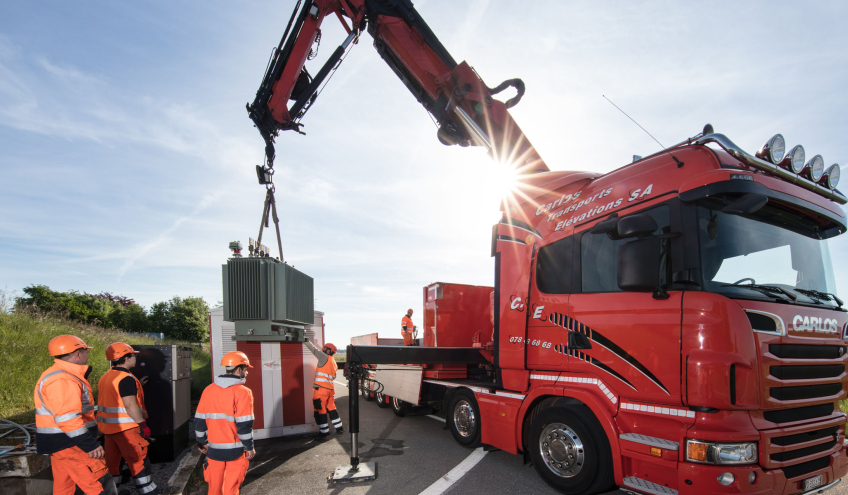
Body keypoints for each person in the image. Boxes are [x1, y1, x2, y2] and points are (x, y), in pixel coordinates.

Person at [33, 335, 117, 495]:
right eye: (86, 351)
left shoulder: (57, 374)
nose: (87, 355)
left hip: (62, 445)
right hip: (73, 445)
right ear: (78, 353)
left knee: (65, 489)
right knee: (101, 485)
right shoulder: (64, 378)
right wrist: (89, 444)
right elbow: (68, 419)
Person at [97, 343, 162, 494]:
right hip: (127, 430)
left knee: (113, 464)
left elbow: (115, 398)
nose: (135, 359)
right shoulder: (126, 379)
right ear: (126, 358)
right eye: (134, 356)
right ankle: (149, 492)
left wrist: (138, 384)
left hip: (109, 430)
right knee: (138, 461)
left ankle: (114, 491)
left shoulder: (106, 376)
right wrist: (143, 424)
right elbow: (129, 405)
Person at [195, 351, 256, 495]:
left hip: (213, 451)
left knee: (214, 488)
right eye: (246, 369)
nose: (247, 373)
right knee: (231, 488)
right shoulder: (243, 392)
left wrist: (201, 442)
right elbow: (244, 425)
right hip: (236, 452)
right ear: (239, 369)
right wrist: (250, 447)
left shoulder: (208, 390)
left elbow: (199, 421)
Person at [304, 340, 344, 438]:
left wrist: (305, 340)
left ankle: (324, 432)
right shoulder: (333, 362)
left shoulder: (323, 357)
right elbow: (333, 376)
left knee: (320, 410)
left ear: (328, 350)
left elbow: (313, 349)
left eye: (325, 348)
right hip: (330, 390)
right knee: (332, 408)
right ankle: (339, 428)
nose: (323, 349)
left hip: (321, 390)